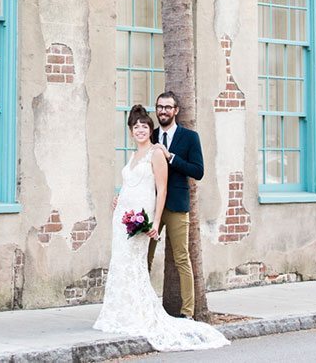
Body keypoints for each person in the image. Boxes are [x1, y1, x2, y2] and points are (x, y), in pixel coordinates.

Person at [94, 104, 228, 352]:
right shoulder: (134, 154)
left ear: (174, 110)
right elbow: (131, 182)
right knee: (125, 263)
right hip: (123, 217)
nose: (140, 130)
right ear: (131, 131)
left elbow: (163, 187)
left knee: (174, 258)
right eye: (136, 127)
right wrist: (118, 198)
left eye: (144, 126)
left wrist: (154, 222)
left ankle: (184, 313)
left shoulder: (158, 152)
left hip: (153, 212)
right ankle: (122, 311)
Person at [148, 90, 204, 320]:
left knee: (182, 258)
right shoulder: (149, 135)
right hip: (151, 206)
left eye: (168, 107)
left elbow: (198, 171)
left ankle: (187, 312)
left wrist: (171, 157)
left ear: (176, 110)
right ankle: (145, 306)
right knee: (145, 256)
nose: (163, 111)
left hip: (177, 205)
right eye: (160, 107)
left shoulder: (190, 137)